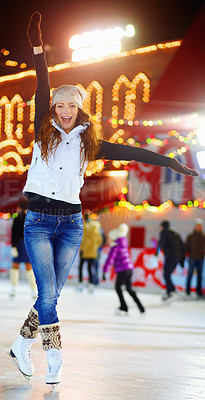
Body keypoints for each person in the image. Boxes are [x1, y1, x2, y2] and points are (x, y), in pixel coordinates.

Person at [9, 12, 199, 387]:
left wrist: (172, 162)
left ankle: (19, 342)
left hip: (72, 223)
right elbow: (42, 81)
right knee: (47, 293)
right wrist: (37, 47)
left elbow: (134, 153)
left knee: (53, 294)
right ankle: (54, 355)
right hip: (39, 221)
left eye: (71, 106)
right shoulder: (41, 134)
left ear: (80, 110)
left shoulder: (89, 144)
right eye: (59, 106)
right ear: (53, 109)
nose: (64, 111)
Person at [103, 223, 145, 315]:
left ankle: (124, 306)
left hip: (123, 270)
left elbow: (110, 258)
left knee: (118, 288)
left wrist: (105, 270)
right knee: (129, 289)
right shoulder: (123, 243)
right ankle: (141, 307)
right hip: (129, 269)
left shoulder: (115, 245)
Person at [9, 201, 37, 299]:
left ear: (20, 208)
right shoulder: (31, 218)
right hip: (27, 244)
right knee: (29, 267)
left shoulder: (18, 218)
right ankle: (33, 291)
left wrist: (13, 246)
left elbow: (14, 233)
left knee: (15, 267)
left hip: (19, 244)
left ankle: (13, 289)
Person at [157, 220, 185, 301]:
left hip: (170, 256)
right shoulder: (176, 234)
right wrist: (181, 259)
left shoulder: (164, 232)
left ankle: (171, 291)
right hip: (177, 257)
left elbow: (161, 243)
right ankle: (171, 290)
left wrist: (157, 252)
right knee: (168, 274)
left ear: (163, 226)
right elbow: (182, 246)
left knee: (166, 274)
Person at [77, 212, 103, 292]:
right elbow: (100, 239)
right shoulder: (96, 226)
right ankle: (91, 284)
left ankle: (80, 283)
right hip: (93, 250)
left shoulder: (83, 226)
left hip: (84, 250)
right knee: (90, 267)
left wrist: (80, 247)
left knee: (81, 267)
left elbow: (80, 237)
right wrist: (96, 247)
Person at [185, 218, 205, 298]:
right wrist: (186, 255)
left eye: (200, 226)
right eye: (197, 226)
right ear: (195, 227)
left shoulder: (203, 236)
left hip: (200, 257)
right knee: (190, 274)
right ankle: (187, 291)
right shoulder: (190, 236)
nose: (198, 227)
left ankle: (199, 291)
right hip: (192, 257)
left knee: (199, 275)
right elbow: (187, 246)